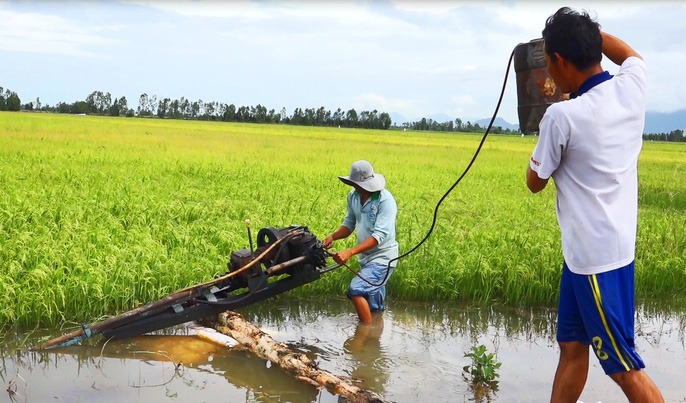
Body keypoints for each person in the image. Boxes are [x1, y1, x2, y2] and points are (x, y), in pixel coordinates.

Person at [526, 7, 663, 403]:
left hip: (595, 263)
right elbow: (631, 56)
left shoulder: (562, 116)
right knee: (572, 348)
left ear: (561, 61)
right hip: (593, 254)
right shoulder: (631, 86)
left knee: (624, 368)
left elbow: (534, 182)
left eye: (549, 60)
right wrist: (586, 33)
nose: (549, 72)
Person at [323, 160, 399, 323]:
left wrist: (349, 252)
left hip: (383, 259)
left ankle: (364, 335)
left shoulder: (385, 201)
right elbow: (349, 224)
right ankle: (374, 342)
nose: (355, 187)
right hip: (366, 258)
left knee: (356, 291)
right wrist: (333, 236)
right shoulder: (354, 196)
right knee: (375, 307)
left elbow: (378, 237)